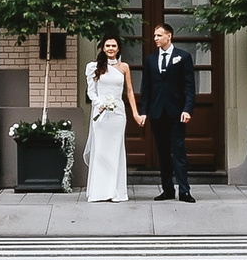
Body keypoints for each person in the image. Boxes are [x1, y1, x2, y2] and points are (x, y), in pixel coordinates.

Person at [140, 20, 197, 202]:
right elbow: (146, 87)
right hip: (157, 112)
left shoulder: (183, 57)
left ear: (169, 36)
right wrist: (143, 111)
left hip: (177, 112)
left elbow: (189, 86)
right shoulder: (150, 60)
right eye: (155, 36)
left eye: (159, 35)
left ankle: (184, 190)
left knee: (178, 151)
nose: (155, 38)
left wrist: (187, 109)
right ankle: (167, 190)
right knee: (163, 153)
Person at [81, 35, 140, 203]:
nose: (111, 48)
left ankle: (115, 191)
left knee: (116, 151)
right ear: (103, 48)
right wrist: (99, 103)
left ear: (118, 48)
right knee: (101, 151)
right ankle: (99, 191)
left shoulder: (124, 67)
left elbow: (129, 91)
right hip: (101, 113)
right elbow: (91, 91)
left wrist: (135, 113)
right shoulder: (93, 67)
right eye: (108, 45)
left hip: (118, 113)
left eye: (114, 46)